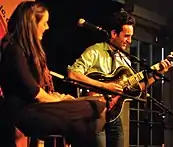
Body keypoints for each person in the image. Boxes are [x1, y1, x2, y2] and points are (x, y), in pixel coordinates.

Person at [0, 1, 106, 147]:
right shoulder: (14, 50)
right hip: (23, 113)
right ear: (32, 24)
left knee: (90, 115)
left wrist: (60, 98)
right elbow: (35, 92)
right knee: (93, 108)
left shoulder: (25, 50)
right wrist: (61, 101)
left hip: (35, 108)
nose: (47, 27)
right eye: (44, 23)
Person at [68, 8, 173, 147]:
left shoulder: (125, 60)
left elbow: (137, 89)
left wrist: (158, 74)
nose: (129, 41)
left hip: (114, 116)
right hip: (94, 113)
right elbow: (73, 74)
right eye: (126, 36)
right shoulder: (95, 51)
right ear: (113, 33)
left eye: (131, 36)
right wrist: (105, 86)